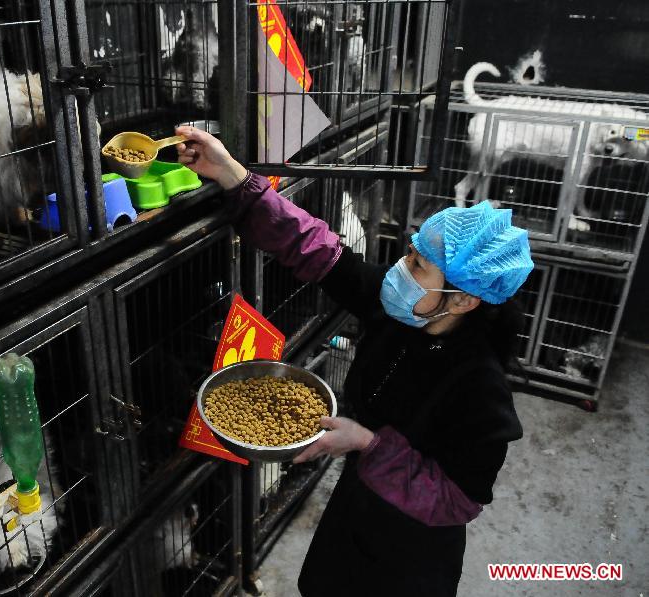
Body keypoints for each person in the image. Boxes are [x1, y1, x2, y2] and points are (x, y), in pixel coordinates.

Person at [174, 125, 531, 596]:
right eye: (410, 253)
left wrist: (368, 444)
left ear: (463, 301)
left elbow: (456, 500)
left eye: (420, 266)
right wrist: (234, 176)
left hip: (412, 549)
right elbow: (316, 249)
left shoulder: (481, 390)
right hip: (356, 507)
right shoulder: (404, 307)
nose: (403, 270)